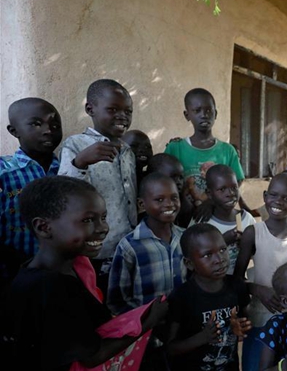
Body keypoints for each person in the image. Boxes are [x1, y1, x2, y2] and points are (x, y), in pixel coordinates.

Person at [2, 175, 168, 370]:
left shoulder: (73, 267)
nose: (103, 228)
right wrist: (148, 322)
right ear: (44, 227)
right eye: (88, 219)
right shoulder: (49, 287)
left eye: (103, 217)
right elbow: (91, 356)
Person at [233, 172, 287, 371]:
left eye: (286, 198)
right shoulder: (253, 233)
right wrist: (257, 289)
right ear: (265, 197)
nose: (278, 202)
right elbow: (236, 280)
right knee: (255, 366)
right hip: (260, 320)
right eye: (273, 195)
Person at [58, 78, 138, 295]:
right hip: (96, 248)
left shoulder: (127, 151)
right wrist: (81, 162)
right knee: (98, 299)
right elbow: (65, 195)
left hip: (127, 245)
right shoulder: (76, 145)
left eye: (127, 111)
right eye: (112, 109)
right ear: (90, 109)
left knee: (123, 300)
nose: (122, 116)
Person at [166, 223, 252, 371]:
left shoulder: (236, 286)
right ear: (189, 263)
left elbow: (245, 324)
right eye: (207, 255)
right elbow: (170, 348)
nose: (220, 259)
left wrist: (239, 329)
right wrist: (202, 338)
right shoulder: (182, 296)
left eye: (223, 249)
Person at [1, 98, 63, 293]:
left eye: (55, 124)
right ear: (14, 131)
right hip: (11, 269)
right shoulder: (4, 171)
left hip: (61, 269)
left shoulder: (67, 169)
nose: (48, 130)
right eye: (36, 124)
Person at [164, 88, 251, 216]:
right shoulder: (175, 148)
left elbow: (237, 181)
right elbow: (164, 182)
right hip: (183, 218)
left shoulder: (227, 150)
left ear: (215, 114)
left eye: (208, 110)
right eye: (197, 110)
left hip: (218, 217)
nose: (204, 114)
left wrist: (212, 201)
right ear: (187, 115)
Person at [107, 172, 185, 314]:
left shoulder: (185, 237)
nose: (169, 204)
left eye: (174, 198)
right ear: (142, 204)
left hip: (183, 320)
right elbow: (117, 301)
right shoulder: (129, 246)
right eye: (159, 199)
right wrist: (143, 320)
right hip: (144, 327)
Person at [190, 164, 256, 275]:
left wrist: (247, 245)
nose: (230, 194)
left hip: (237, 284)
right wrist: (223, 241)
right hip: (210, 287)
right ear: (209, 194)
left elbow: (256, 253)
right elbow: (192, 256)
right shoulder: (202, 221)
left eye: (234, 187)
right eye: (222, 189)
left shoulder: (247, 219)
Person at [147, 153, 194, 228]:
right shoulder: (148, 204)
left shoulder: (185, 204)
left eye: (181, 177)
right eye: (173, 177)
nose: (179, 182)